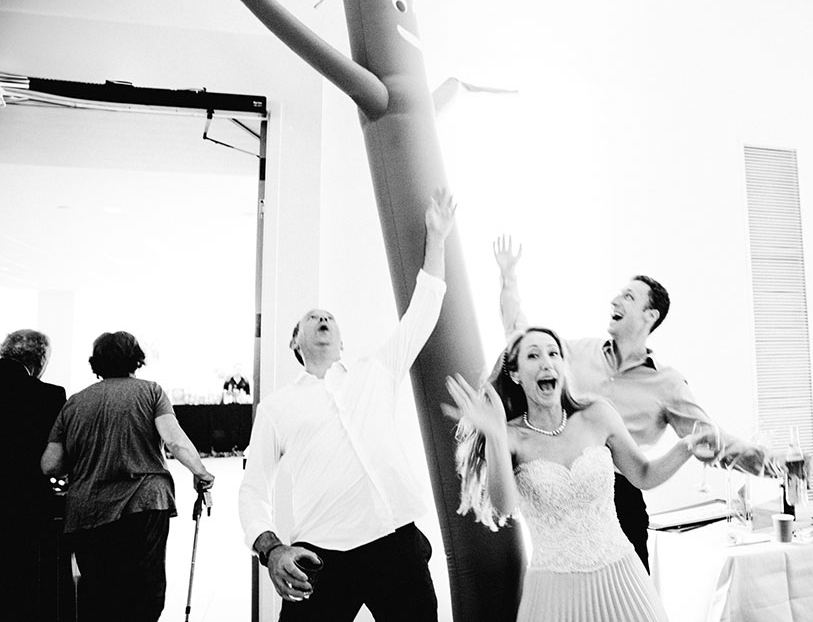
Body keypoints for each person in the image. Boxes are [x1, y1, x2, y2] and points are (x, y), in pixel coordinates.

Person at [493, 236, 778, 571]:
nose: (615, 299)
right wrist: (508, 280)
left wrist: (774, 464)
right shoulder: (574, 354)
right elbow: (522, 339)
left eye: (628, 296)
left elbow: (709, 439)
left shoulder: (667, 384)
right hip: (563, 500)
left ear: (649, 315)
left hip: (623, 498)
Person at [239, 189, 457, 621]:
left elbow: (424, 308)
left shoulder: (375, 371)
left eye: (329, 318)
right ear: (295, 343)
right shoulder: (277, 408)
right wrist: (271, 549)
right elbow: (251, 490)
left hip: (396, 544)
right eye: (310, 318)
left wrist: (437, 237)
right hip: (319, 558)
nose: (322, 319)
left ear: (342, 342)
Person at [448, 327, 718, 621]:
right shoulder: (510, 436)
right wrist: (496, 436)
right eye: (533, 355)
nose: (546, 362)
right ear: (515, 374)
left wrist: (686, 448)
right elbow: (504, 505)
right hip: (554, 591)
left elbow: (643, 474)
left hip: (621, 579)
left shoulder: (597, 414)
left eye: (553, 353)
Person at [41, 331, 215, 622]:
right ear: (136, 359)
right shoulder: (151, 392)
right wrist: (201, 472)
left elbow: (50, 464)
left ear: (97, 362)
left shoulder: (75, 403)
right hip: (144, 504)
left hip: (88, 511)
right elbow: (174, 441)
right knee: (143, 591)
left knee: (98, 591)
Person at [1, 329, 67, 622]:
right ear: (39, 360)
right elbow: (56, 458)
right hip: (25, 504)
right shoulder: (48, 395)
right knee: (25, 583)